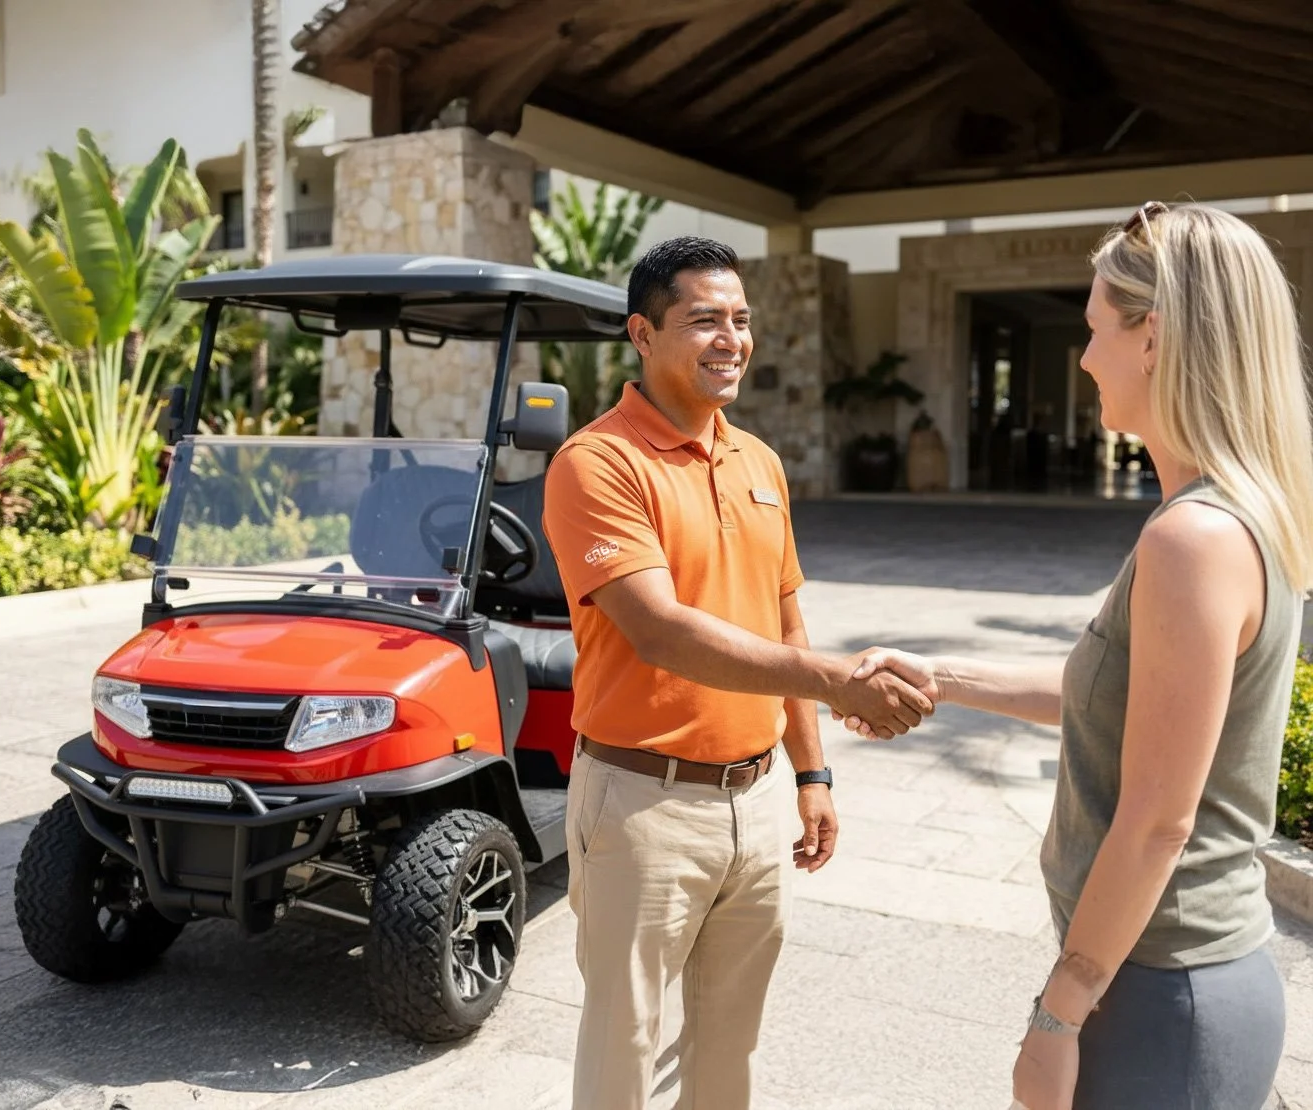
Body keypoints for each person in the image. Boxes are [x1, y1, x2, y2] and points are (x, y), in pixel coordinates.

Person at [841, 201, 1313, 1110]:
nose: (1087, 354)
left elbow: (1157, 821)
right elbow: (1125, 699)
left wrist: (1057, 1016)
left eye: (1097, 327)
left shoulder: (1195, 540)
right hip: (1172, 984)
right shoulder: (1232, 513)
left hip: (1161, 999)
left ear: (1154, 337)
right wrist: (942, 678)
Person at [541, 236, 934, 1110]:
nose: (732, 339)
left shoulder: (759, 461)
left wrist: (813, 773)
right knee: (623, 1044)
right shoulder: (596, 463)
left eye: (742, 320)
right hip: (641, 804)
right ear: (642, 334)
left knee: (729, 1045)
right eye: (705, 320)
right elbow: (661, 631)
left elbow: (782, 617)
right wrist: (838, 682)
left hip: (754, 805)